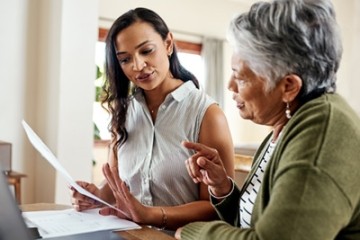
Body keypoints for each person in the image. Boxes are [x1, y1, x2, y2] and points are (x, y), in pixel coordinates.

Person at [175, 0, 360, 239]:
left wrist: (195, 233)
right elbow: (253, 224)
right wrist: (223, 187)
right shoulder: (283, 128)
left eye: (240, 77)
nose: (230, 85)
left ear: (288, 86)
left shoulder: (324, 132)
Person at [70, 7, 234, 231]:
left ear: (168, 44)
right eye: (125, 59)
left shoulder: (207, 114)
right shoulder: (124, 112)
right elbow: (115, 183)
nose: (137, 66)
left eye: (146, 51)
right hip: (129, 235)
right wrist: (95, 196)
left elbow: (217, 207)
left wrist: (149, 215)